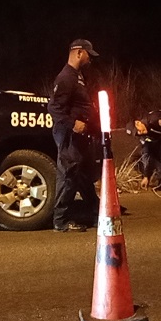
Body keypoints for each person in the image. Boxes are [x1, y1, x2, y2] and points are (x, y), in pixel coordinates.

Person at [47, 39, 101, 232]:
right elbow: (53, 108)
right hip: (68, 134)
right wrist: (73, 124)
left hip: (79, 135)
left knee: (82, 175)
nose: (90, 59)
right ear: (79, 53)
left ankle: (97, 213)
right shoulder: (66, 77)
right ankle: (60, 221)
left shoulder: (77, 76)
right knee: (69, 175)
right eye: (88, 54)